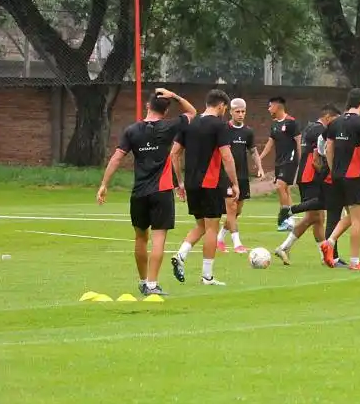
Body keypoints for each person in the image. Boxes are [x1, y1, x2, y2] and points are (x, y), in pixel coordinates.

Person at [97, 88, 196, 296]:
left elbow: (116, 158)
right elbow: (192, 112)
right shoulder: (169, 127)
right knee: (158, 240)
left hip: (139, 192)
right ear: (166, 111)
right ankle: (152, 284)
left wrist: (104, 184)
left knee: (140, 239)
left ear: (147, 106)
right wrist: (175, 95)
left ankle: (143, 282)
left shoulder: (132, 130)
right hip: (161, 191)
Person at [169, 89, 240, 287]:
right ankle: (207, 276)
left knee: (201, 225)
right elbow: (226, 156)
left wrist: (180, 182)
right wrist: (235, 183)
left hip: (191, 183)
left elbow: (174, 154)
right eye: (225, 108)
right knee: (211, 228)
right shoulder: (220, 126)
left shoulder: (190, 123)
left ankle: (181, 255)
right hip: (210, 183)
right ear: (221, 106)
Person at [316, 88, 360, 271]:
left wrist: (333, 168)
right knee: (357, 218)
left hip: (336, 176)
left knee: (352, 216)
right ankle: (354, 262)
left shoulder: (334, 123)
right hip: (354, 176)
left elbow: (328, 149)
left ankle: (329, 241)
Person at [275, 104, 346, 266]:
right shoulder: (320, 130)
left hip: (307, 175)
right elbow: (316, 158)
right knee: (314, 216)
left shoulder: (311, 128)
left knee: (317, 218)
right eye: (335, 121)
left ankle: (324, 256)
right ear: (328, 118)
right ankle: (285, 244)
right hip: (310, 176)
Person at [216, 98, 264, 254]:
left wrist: (260, 167)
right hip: (227, 176)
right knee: (231, 208)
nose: (241, 114)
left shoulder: (248, 132)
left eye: (243, 111)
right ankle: (237, 244)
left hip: (242, 176)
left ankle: (220, 238)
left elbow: (253, 151)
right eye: (237, 111)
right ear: (231, 112)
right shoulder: (224, 129)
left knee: (237, 211)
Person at [260, 97, 300, 231]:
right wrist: (259, 158)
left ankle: (284, 218)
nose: (269, 109)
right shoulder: (274, 124)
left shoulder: (291, 122)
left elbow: (298, 141)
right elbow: (270, 143)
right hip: (279, 161)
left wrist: (300, 161)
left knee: (279, 186)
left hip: (290, 160)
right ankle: (290, 220)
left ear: (278, 107)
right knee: (285, 189)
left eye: (270, 106)